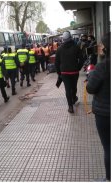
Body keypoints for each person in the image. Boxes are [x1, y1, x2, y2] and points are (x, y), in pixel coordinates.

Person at [86, 32, 110, 182]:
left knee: (109, 147)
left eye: (101, 44)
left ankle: (109, 179)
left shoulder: (102, 67)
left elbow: (90, 88)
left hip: (105, 115)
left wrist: (91, 75)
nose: (99, 47)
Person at [55, 31, 83, 113]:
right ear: (71, 37)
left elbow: (56, 62)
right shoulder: (76, 47)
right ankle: (74, 98)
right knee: (74, 87)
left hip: (64, 73)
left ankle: (70, 107)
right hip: (74, 72)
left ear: (63, 39)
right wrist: (78, 68)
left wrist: (59, 73)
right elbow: (82, 59)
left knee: (67, 89)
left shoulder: (59, 49)